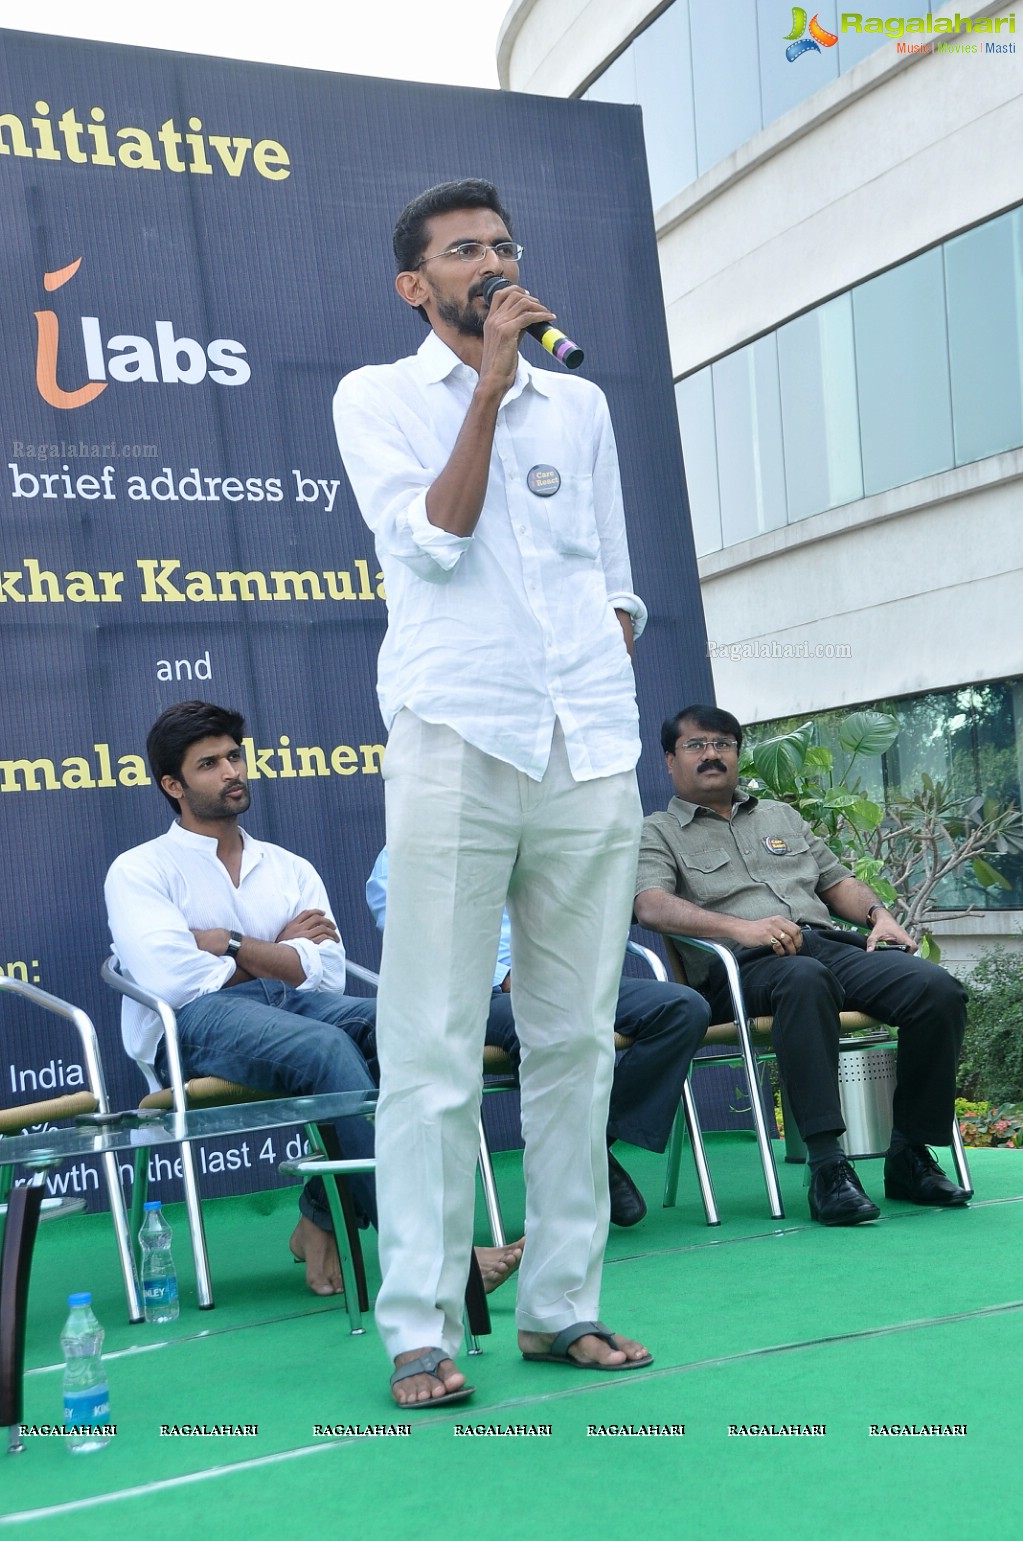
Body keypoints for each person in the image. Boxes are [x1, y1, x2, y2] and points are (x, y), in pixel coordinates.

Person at [333, 178, 652, 1407]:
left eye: (504, 246)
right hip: (457, 736)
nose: (492, 262)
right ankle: (418, 1323)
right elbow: (436, 535)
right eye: (465, 251)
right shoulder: (378, 396)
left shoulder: (582, 407)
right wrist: (489, 390)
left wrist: (595, 661)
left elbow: (619, 582)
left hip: (586, 746)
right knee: (432, 1045)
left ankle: (561, 1303)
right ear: (417, 284)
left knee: (577, 1036)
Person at [104, 699, 523, 1299]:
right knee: (326, 1047)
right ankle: (434, 1256)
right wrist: (278, 951)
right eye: (209, 764)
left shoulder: (288, 867)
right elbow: (176, 980)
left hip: (296, 1008)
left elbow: (324, 974)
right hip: (192, 1030)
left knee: (415, 1024)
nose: (232, 772)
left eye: (234, 756)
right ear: (172, 784)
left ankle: (321, 1218)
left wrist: (229, 943)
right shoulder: (138, 869)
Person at [634, 703, 971, 1227]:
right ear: (669, 761)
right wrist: (742, 928)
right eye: (696, 745)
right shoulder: (656, 831)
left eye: (723, 744)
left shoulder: (780, 818)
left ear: (737, 755)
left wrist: (880, 915)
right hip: (739, 970)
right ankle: (828, 1167)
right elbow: (650, 904)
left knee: (936, 990)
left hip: (825, 947)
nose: (711, 755)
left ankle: (909, 1154)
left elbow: (836, 883)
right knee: (804, 980)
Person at [366, 847, 711, 1226]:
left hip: (562, 979)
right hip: (471, 994)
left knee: (682, 1009)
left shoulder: (534, 835)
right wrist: (504, 975)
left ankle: (580, 1148)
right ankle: (578, 1153)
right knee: (541, 1019)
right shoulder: (406, 851)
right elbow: (416, 942)